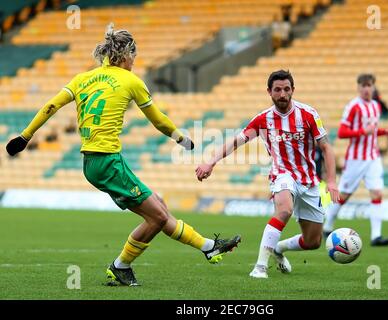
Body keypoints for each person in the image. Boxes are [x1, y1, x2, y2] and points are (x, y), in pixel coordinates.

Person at [6, 23, 241, 286]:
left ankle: (206, 247)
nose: (134, 63)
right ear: (127, 54)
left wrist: (25, 136)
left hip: (94, 161)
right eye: (134, 58)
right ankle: (127, 264)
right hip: (107, 162)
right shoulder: (131, 81)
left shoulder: (83, 78)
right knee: (159, 216)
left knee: (159, 209)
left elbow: (51, 105)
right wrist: (181, 138)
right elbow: (159, 121)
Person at [196, 70, 339, 278]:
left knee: (313, 242)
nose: (283, 94)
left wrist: (332, 182)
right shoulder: (263, 119)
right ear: (269, 92)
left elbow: (326, 147)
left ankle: (278, 248)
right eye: (278, 90)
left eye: (287, 89)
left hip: (308, 181)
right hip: (282, 175)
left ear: (293, 90)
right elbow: (236, 141)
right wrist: (210, 162)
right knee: (284, 210)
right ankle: (260, 267)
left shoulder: (309, 114)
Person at [322, 73, 388, 246]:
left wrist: (384, 132)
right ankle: (327, 226)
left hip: (373, 157)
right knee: (344, 195)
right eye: (363, 86)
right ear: (358, 87)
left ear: (373, 87)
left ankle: (376, 236)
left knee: (377, 193)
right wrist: (363, 132)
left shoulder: (376, 106)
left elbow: (373, 130)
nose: (366, 89)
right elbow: (342, 133)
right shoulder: (353, 106)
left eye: (369, 86)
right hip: (356, 159)